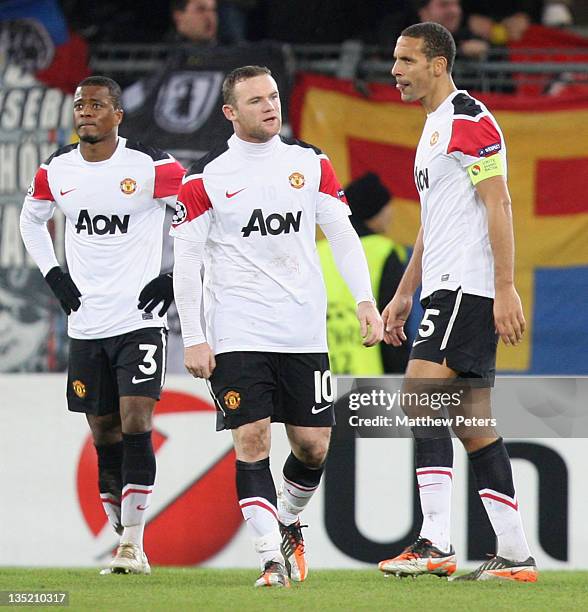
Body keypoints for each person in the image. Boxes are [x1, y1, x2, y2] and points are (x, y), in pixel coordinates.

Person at [171, 65, 383, 587]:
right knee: (253, 437)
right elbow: (187, 261)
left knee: (313, 446)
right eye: (256, 100)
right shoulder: (204, 178)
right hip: (239, 328)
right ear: (230, 112)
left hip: (303, 331)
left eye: (273, 97)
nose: (270, 106)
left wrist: (365, 301)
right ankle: (270, 557)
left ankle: (286, 521)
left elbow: (343, 234)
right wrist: (195, 337)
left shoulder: (310, 164)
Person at [377, 23, 537, 582]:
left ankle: (434, 541)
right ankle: (515, 553)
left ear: (439, 63)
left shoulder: (469, 122)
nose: (395, 70)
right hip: (445, 284)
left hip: (467, 285)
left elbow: (500, 204)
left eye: (405, 60)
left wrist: (506, 286)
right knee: (472, 422)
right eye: (394, 60)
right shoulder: (433, 128)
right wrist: (402, 295)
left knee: (419, 394)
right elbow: (433, 222)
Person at [19, 75, 185, 575]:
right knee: (103, 429)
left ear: (117, 115)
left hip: (141, 320)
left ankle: (132, 544)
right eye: (79, 105)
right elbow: (31, 221)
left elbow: (198, 216)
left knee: (136, 422)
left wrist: (174, 278)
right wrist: (53, 274)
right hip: (87, 322)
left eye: (96, 105)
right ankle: (118, 508)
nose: (85, 112)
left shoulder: (151, 166)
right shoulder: (57, 169)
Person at [317, 172, 409, 374]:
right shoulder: (384, 251)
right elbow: (393, 320)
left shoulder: (318, 250)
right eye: (386, 206)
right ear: (373, 210)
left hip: (322, 377)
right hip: (369, 384)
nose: (391, 213)